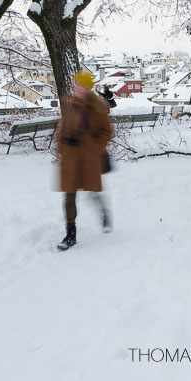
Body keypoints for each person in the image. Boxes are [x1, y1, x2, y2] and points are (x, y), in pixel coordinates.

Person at [55, 70, 115, 251]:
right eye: (75, 85)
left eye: (79, 85)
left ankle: (104, 212)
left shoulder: (98, 107)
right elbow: (62, 129)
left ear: (87, 88)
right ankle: (70, 233)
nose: (75, 88)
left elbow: (107, 132)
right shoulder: (69, 105)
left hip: (89, 158)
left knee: (92, 191)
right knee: (69, 195)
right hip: (71, 159)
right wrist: (63, 147)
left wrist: (94, 148)